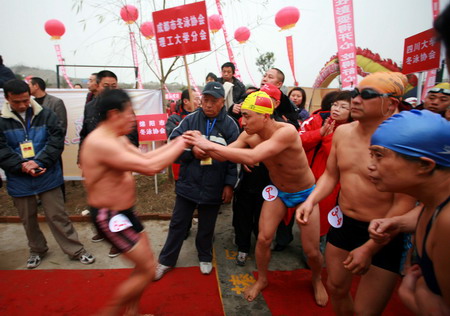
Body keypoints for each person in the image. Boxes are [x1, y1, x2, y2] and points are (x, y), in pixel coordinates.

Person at [184, 91, 328, 306]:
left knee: (311, 251)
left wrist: (208, 145)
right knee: (263, 239)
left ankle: (317, 279)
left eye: (248, 116)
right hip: (278, 192)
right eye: (242, 115)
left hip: (304, 194)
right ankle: (262, 279)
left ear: (266, 116)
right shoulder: (248, 135)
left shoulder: (286, 131)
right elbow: (224, 153)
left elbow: (253, 156)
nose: (243, 121)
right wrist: (201, 149)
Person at [296, 72, 417, 315]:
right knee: (336, 288)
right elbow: (331, 175)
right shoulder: (343, 133)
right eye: (355, 94)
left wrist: (371, 246)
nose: (356, 100)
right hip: (344, 224)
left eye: (367, 95)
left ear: (391, 104)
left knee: (366, 311)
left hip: (384, 232)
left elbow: (404, 202)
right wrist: (311, 200)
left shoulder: (405, 142)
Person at [80, 89, 189, 316]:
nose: (134, 119)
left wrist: (181, 140)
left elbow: (146, 158)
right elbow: (150, 168)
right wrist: (181, 145)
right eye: (129, 113)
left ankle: (133, 312)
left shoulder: (117, 138)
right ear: (113, 114)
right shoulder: (101, 143)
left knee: (143, 266)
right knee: (148, 269)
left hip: (124, 212)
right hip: (110, 216)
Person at [0, 79, 95, 269]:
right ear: (7, 98)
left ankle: (75, 250)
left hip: (47, 174)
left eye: (26, 100)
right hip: (19, 178)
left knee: (58, 215)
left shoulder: (46, 114)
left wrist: (40, 161)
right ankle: (37, 250)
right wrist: (22, 165)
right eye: (17, 101)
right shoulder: (1, 120)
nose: (22, 105)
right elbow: (2, 149)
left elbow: (56, 140)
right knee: (28, 218)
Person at [367, 110, 450, 315]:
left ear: (424, 164)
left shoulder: (447, 222)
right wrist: (398, 222)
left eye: (378, 156)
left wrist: (414, 299)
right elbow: (426, 210)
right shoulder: (434, 202)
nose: (370, 166)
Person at [155, 81, 239, 280]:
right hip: (188, 183)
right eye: (205, 100)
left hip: (214, 186)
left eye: (213, 101)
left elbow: (235, 158)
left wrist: (229, 185)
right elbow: (172, 144)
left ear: (221, 103)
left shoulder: (230, 125)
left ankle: (205, 256)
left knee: (207, 226)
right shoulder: (190, 120)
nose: (208, 105)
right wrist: (191, 151)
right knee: (178, 223)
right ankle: (166, 260)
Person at [79, 70, 138, 257]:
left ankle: (119, 241)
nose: (110, 89)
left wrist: (124, 154)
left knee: (120, 201)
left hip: (120, 163)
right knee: (101, 202)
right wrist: (82, 159)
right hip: (99, 165)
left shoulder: (122, 109)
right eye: (106, 86)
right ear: (97, 85)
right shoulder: (90, 107)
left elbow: (133, 137)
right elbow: (84, 133)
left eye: (114, 86)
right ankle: (107, 233)